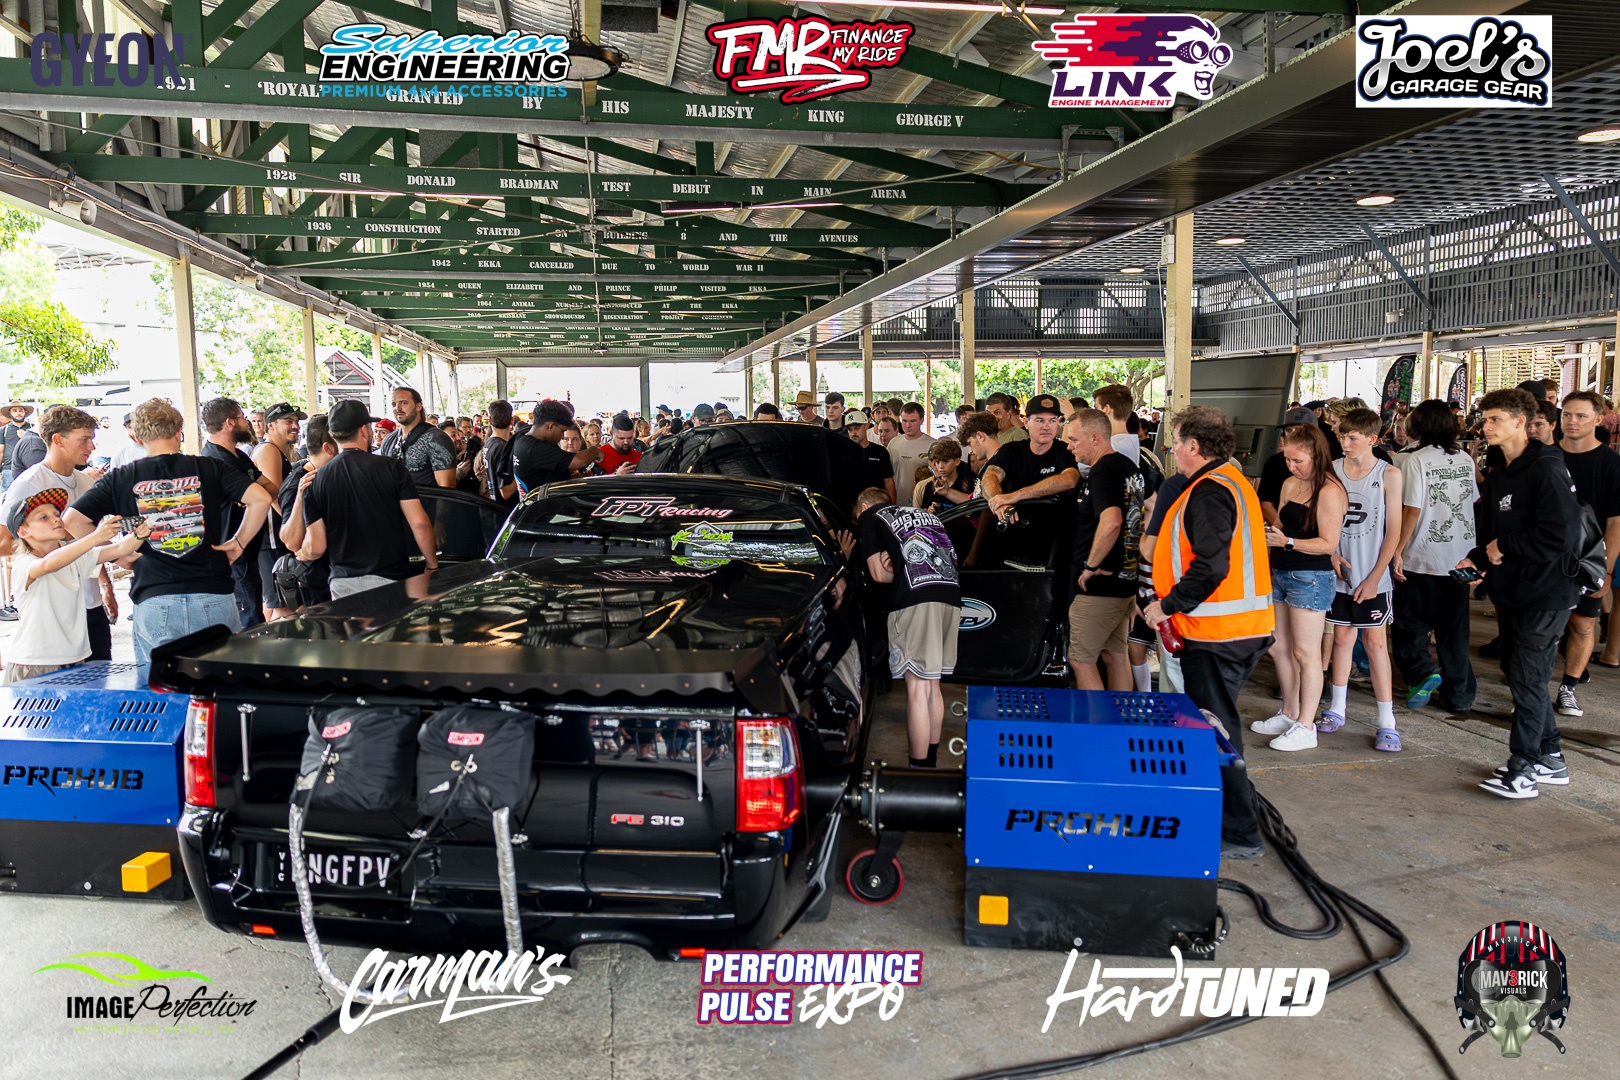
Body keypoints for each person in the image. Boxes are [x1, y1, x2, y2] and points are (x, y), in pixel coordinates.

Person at [1141, 405, 1272, 858]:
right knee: (1216, 726)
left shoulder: (1210, 490)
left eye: (1176, 442)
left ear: (1194, 446)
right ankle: (1228, 817)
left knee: (1215, 733)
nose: (1170, 449)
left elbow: (1211, 566)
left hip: (1217, 633)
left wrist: (1166, 605)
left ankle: (1240, 832)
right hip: (1234, 628)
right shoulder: (1230, 481)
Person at [64, 397, 271, 665]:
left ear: (138, 437)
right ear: (178, 431)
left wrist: (117, 554)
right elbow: (261, 498)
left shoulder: (122, 477)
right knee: (216, 685)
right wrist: (238, 543)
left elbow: (73, 520)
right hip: (211, 590)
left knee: (158, 687)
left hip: (155, 595)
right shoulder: (210, 467)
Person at [1462, 389, 1583, 800]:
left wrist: (1505, 546)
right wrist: (1477, 559)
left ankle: (1523, 768)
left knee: (1529, 679)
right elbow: (1494, 533)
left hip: (1548, 592)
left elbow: (1561, 534)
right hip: (1513, 589)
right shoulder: (1501, 470)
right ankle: (1551, 758)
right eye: (1485, 419)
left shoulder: (1545, 467)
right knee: (1518, 673)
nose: (1486, 426)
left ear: (1520, 422)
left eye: (1495, 419)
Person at [1252, 424, 1346, 747]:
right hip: (1280, 571)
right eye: (1288, 460)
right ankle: (1290, 711)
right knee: (1279, 646)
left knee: (1306, 652)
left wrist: (1288, 542)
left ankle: (1307, 725)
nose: (1291, 466)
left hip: (1310, 576)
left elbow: (1328, 544)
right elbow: (1280, 524)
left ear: (1317, 456)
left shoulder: (1330, 491)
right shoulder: (1290, 484)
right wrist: (1269, 535)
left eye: (1298, 461)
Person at [855, 486, 961, 769]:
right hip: (950, 596)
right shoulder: (926, 516)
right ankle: (930, 765)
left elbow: (878, 575)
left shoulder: (870, 517)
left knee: (917, 690)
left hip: (916, 600)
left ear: (863, 507)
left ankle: (918, 769)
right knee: (932, 685)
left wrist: (895, 568)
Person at [1317, 408, 1403, 752]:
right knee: (1341, 638)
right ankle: (1337, 708)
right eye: (1342, 436)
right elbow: (1322, 518)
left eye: (1352, 438)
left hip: (1372, 573)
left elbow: (1394, 530)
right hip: (1339, 571)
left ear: (1372, 439)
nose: (1345, 443)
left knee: (1375, 643)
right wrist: (1331, 555)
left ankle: (1387, 721)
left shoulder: (1389, 474)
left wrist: (1377, 576)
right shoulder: (1332, 470)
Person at [0, 405, 115, 660]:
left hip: (91, 604)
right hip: (54, 612)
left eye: (92, 439)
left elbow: (92, 545)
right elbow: (4, 542)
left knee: (101, 677)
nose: (91, 447)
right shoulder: (28, 484)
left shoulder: (86, 481)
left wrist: (105, 585)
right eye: (84, 440)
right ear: (58, 440)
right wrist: (61, 538)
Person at [298, 399, 438, 600]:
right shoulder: (392, 468)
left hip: (342, 582)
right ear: (364, 430)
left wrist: (303, 553)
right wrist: (432, 565)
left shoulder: (316, 480)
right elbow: (419, 524)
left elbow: (317, 546)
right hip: (390, 578)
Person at [1391, 399, 1478, 715]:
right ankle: (1459, 695)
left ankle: (1422, 673)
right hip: (1462, 556)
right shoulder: (1464, 458)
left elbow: (1411, 509)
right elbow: (1473, 500)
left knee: (1410, 625)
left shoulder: (1414, 459)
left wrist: (1397, 550)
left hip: (1424, 556)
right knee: (1455, 630)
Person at [4, 494, 147, 683]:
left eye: (56, 514)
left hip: (76, 659)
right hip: (35, 662)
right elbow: (48, 564)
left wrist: (143, 530)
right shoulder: (24, 563)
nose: (56, 519)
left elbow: (120, 549)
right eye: (43, 517)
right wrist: (95, 537)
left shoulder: (75, 555)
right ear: (23, 532)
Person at [1065, 409, 1145, 691]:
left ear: (1095, 438)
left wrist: (1090, 566)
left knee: (1081, 661)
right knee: (1115, 657)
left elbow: (1112, 522)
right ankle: (1120, 717)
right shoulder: (1129, 466)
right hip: (1124, 580)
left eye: (1074, 440)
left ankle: (1097, 718)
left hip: (1099, 586)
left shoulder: (1103, 471)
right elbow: (1146, 513)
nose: (1070, 446)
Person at [1552, 390, 1620, 717]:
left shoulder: (1611, 464)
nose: (1572, 421)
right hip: (1545, 555)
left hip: (1588, 557)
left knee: (1582, 625)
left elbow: (1615, 522)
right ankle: (1530, 691)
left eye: (1581, 415)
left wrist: (1605, 570)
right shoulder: (1546, 456)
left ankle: (1568, 688)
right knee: (1539, 628)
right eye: (1567, 414)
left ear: (1598, 418)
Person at [200, 397, 276, 630]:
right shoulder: (214, 460)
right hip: (233, 554)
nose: (247, 423)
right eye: (242, 418)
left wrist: (251, 498)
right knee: (250, 622)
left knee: (254, 614)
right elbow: (261, 496)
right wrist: (254, 497)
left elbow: (271, 488)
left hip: (249, 551)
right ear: (229, 422)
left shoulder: (239, 456)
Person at [981, 394, 1079, 525]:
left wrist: (1015, 496)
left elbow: (1070, 479)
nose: (1047, 426)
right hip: (1015, 526)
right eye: (1040, 420)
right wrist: (999, 502)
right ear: (1026, 423)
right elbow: (989, 477)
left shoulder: (1064, 451)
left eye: (1052, 421)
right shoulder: (1011, 450)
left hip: (1053, 530)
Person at [251, 402, 305, 621]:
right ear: (270, 425)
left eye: (296, 422)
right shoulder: (269, 451)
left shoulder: (278, 452)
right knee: (284, 606)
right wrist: (297, 528)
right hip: (273, 538)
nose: (295, 426)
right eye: (288, 421)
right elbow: (276, 497)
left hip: (274, 537)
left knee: (275, 604)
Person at [276, 413, 335, 610]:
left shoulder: (332, 476)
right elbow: (291, 541)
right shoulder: (298, 483)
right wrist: (301, 497)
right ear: (329, 447)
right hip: (316, 584)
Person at [513, 400, 602, 494]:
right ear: (551, 426)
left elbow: (541, 479)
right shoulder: (536, 448)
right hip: (542, 503)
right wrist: (594, 449)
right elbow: (581, 461)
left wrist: (571, 478)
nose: (562, 436)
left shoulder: (522, 438)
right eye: (562, 431)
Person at [379, 387, 457, 490]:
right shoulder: (389, 440)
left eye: (403, 403)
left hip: (427, 499)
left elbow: (447, 487)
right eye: (394, 404)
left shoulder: (437, 438)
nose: (397, 408)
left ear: (418, 406)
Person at [844, 409, 895, 503]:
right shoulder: (843, 453)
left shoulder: (880, 452)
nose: (853, 433)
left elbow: (888, 481)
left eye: (856, 428)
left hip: (876, 504)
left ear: (866, 426)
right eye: (850, 429)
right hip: (851, 506)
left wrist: (891, 507)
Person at [913, 438, 974, 512]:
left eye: (945, 461)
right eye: (938, 462)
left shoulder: (966, 484)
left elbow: (973, 504)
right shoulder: (931, 486)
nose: (941, 466)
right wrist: (929, 511)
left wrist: (948, 492)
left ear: (957, 461)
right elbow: (924, 510)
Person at [887, 403, 937, 491]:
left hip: (922, 497)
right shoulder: (893, 443)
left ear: (922, 420)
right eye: (904, 421)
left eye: (912, 421)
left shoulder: (933, 445)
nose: (908, 425)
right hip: (896, 497)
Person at [482, 400, 519, 508]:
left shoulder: (489, 443)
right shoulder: (502, 448)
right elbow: (506, 492)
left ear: (490, 420)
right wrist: (524, 473)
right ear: (512, 420)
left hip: (495, 507)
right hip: (506, 510)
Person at [1091, 384, 1142, 465]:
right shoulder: (1128, 441)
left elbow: (1080, 463)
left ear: (1106, 409)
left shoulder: (1115, 446)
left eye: (1096, 408)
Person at [0, 400, 33, 492]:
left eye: (21, 410)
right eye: (14, 411)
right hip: (9, 469)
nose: (18, 413)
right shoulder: (4, 430)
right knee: (8, 496)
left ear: (25, 412)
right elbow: (1, 452)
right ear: (10, 413)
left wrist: (27, 436)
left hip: (30, 469)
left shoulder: (33, 428)